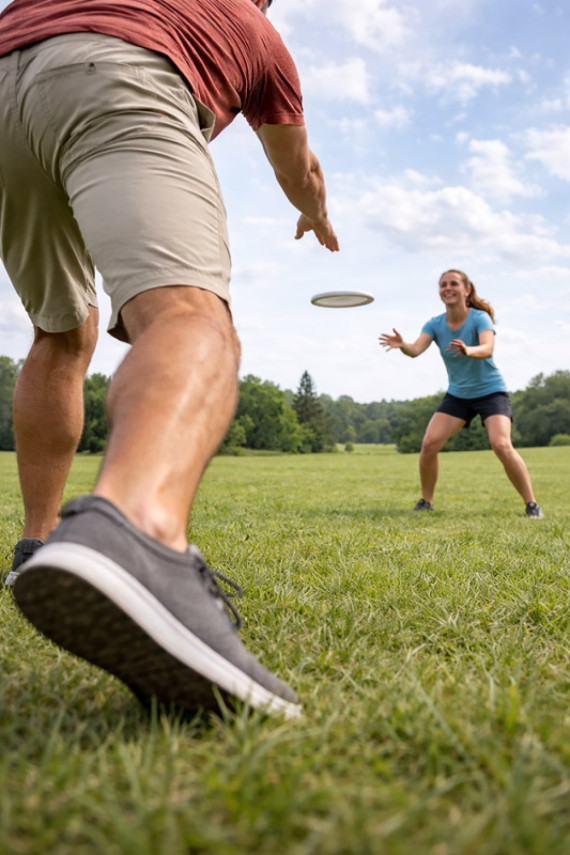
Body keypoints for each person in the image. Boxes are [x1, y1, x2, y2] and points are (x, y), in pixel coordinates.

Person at [0, 0, 339, 719]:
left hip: (6, 83)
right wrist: (314, 209)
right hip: (118, 71)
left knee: (60, 334)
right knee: (190, 317)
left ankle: (39, 545)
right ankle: (137, 531)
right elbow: (295, 164)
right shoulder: (255, 31)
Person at [379, 270, 544, 518]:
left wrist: (469, 350)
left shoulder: (480, 318)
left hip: (491, 392)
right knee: (429, 443)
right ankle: (426, 501)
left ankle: (532, 504)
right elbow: (415, 350)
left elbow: (488, 348)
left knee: (501, 445)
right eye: (443, 284)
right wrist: (403, 345)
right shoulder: (434, 324)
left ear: (466, 290)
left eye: (454, 284)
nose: (448, 288)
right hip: (458, 395)